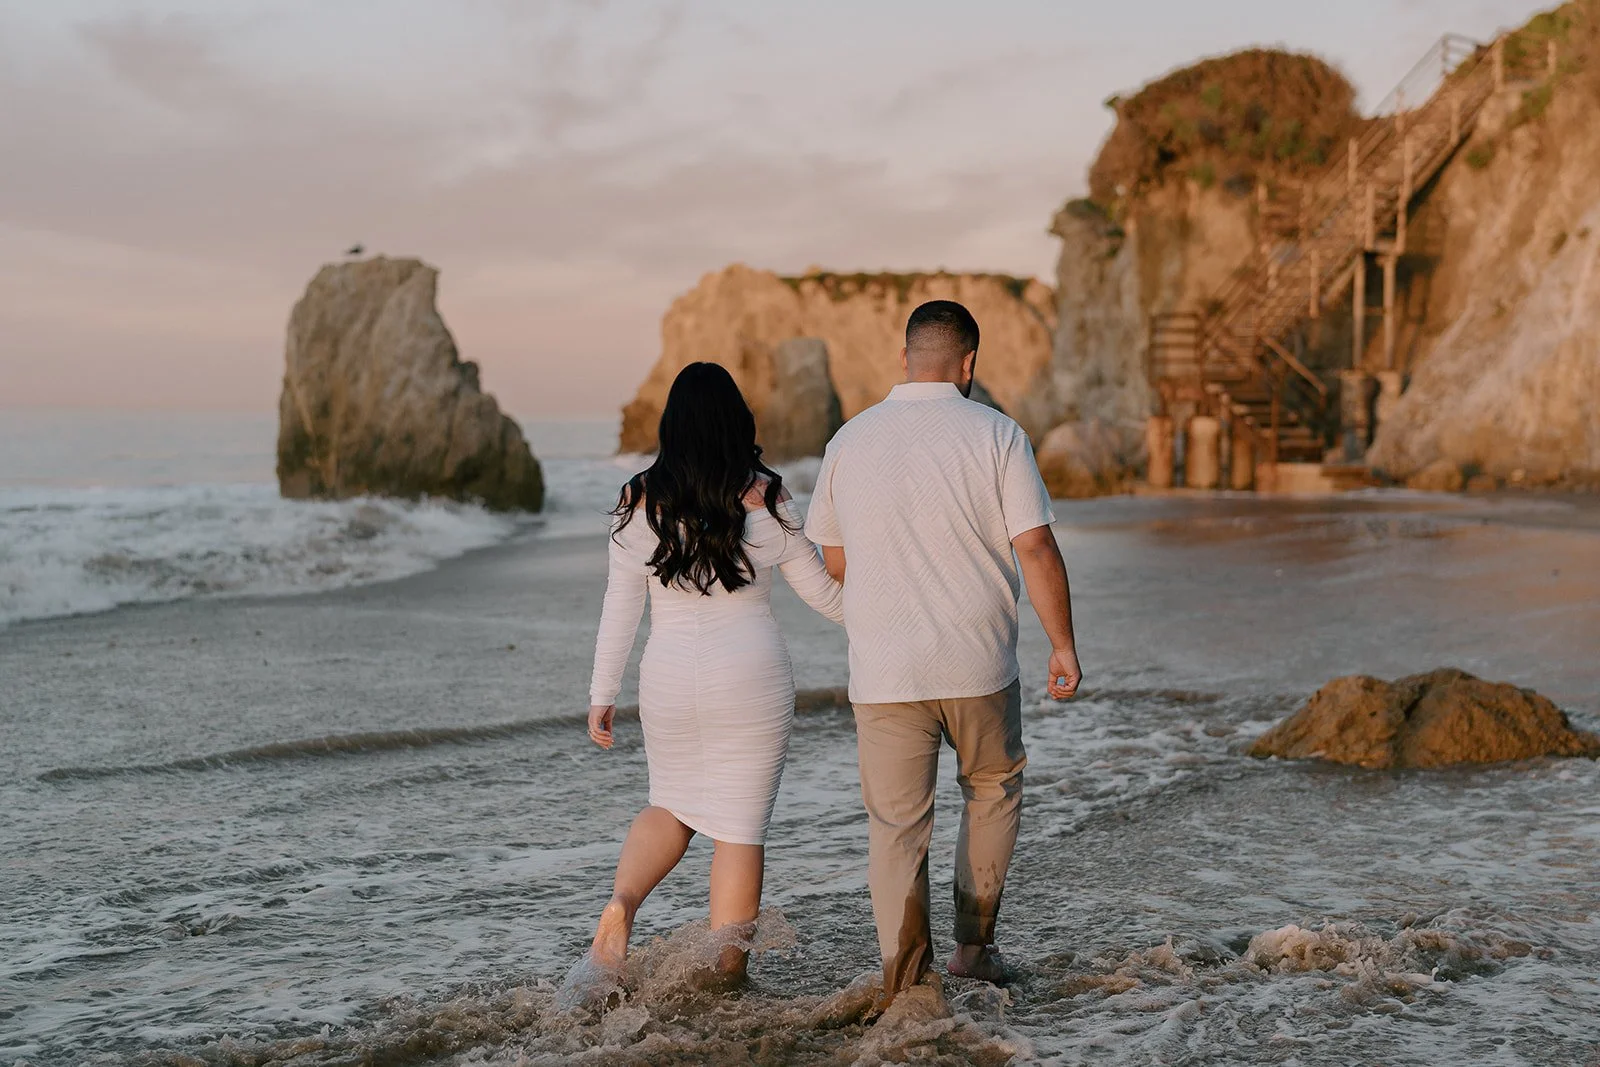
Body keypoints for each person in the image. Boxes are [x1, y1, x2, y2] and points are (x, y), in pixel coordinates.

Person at [804, 299, 1082, 1003]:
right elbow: (1036, 544)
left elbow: (835, 563)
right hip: (979, 664)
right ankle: (973, 949)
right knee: (991, 791)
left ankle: (906, 981)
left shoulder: (848, 441)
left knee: (897, 828)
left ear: (904, 358)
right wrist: (1062, 645)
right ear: (969, 364)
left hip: (886, 673)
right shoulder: (998, 434)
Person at [581, 361, 845, 984]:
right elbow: (829, 599)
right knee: (740, 827)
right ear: (737, 422)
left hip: (669, 676)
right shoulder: (765, 495)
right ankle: (728, 975)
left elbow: (620, 607)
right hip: (751, 677)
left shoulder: (636, 499)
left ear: (671, 426)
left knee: (669, 803)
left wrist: (601, 695)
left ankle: (622, 904)